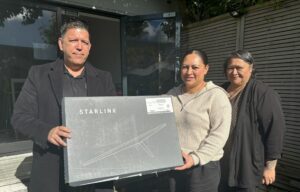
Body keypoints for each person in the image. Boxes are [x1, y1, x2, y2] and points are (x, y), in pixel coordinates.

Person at [11, 20, 116, 192]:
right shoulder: (38, 75)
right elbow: (19, 117)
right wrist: (47, 131)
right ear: (61, 44)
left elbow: (114, 120)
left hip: (95, 174)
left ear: (90, 47)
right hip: (52, 173)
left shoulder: (104, 79)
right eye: (74, 40)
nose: (79, 46)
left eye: (85, 42)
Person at [219, 50, 285, 192]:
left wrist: (270, 167)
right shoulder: (219, 91)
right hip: (221, 165)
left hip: (247, 166)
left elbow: (275, 131)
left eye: (239, 68)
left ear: (250, 68)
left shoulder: (263, 93)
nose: (234, 72)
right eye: (230, 68)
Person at [167, 49, 232, 192]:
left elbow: (219, 135)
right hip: (175, 164)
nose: (189, 72)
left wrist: (195, 158)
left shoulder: (216, 96)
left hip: (203, 167)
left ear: (206, 69)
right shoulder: (171, 94)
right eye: (185, 67)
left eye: (195, 67)